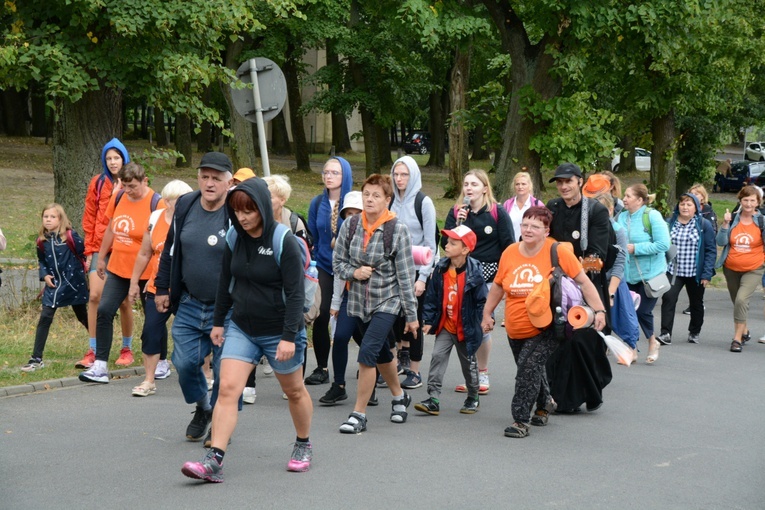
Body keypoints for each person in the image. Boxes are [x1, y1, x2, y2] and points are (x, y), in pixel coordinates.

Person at [181, 178, 314, 482]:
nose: (242, 217)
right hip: (242, 326)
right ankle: (214, 459)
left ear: (263, 209)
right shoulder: (233, 238)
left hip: (279, 329)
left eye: (249, 210)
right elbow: (225, 282)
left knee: (293, 390)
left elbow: (295, 294)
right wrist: (217, 323)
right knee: (227, 389)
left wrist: (288, 337)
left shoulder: (284, 241)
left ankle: (303, 443)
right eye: (237, 211)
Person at [483, 207, 606, 438]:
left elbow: (584, 282)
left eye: (535, 226)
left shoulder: (557, 251)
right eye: (525, 225)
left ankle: (520, 420)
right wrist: (487, 313)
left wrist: (599, 310)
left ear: (546, 230)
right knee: (530, 368)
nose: (528, 230)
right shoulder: (509, 252)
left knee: (527, 369)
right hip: (515, 325)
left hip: (548, 325)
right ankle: (545, 403)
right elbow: (498, 285)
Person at [153, 152, 233, 444]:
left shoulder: (236, 210)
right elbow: (171, 248)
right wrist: (162, 287)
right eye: (204, 176)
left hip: (228, 310)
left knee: (227, 372)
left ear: (229, 181)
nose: (209, 183)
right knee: (185, 364)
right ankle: (203, 407)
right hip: (189, 301)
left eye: (216, 178)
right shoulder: (186, 203)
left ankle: (222, 427)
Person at [332, 174, 418, 434]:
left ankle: (358, 414)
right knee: (381, 353)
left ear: (387, 200)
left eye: (376, 195)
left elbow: (405, 275)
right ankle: (399, 396)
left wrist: (411, 316)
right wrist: (354, 273)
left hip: (387, 302)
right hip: (358, 303)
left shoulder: (397, 230)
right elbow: (337, 264)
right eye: (366, 194)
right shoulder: (350, 225)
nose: (369, 199)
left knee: (367, 353)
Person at [78, 162, 164, 384]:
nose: (128, 191)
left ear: (144, 181)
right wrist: (101, 257)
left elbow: (161, 237)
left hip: (146, 270)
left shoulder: (157, 202)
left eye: (133, 186)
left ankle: (161, 361)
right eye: (125, 186)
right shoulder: (118, 197)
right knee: (104, 310)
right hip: (118, 267)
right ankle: (100, 366)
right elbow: (111, 228)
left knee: (152, 317)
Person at [546, 162, 614, 413]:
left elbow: (597, 255)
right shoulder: (552, 207)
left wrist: (569, 269)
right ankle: (557, 395)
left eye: (568, 181)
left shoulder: (595, 210)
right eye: (560, 182)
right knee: (555, 339)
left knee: (582, 342)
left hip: (586, 286)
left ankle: (583, 392)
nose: (564, 186)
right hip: (556, 288)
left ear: (579, 182)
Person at [441, 169, 514, 395]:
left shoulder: (497, 212)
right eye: (466, 184)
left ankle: (482, 372)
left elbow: (509, 245)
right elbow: (445, 242)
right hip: (462, 274)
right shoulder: (457, 212)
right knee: (465, 324)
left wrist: (504, 277)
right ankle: (471, 375)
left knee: (481, 324)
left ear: (485, 188)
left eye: (474, 184)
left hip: (489, 277)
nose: (469, 188)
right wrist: (458, 225)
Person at [240, 174, 309, 404]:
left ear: (282, 199)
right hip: (253, 308)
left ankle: (293, 383)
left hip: (285, 294)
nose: (263, 200)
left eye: (269, 196)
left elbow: (304, 260)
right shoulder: (247, 225)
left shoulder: (293, 223)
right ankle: (248, 385)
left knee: (293, 336)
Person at [127, 180, 193, 396]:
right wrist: (134, 282)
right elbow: (145, 253)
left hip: (188, 289)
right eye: (179, 201)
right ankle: (149, 381)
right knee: (150, 331)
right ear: (167, 201)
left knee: (196, 333)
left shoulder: (195, 220)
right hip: (159, 286)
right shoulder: (155, 218)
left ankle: (207, 376)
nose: (186, 204)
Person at [415, 225, 486, 416]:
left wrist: (486, 319)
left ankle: (473, 397)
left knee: (468, 365)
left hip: (466, 327)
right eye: (447, 241)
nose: (446, 245)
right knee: (437, 357)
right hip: (446, 324)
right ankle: (433, 398)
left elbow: (483, 300)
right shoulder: (441, 268)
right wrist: (428, 320)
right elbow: (432, 296)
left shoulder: (474, 272)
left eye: (453, 243)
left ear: (465, 250)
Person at [78, 138, 134, 369]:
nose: (112, 162)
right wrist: (89, 251)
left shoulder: (133, 181)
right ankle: (93, 349)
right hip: (100, 248)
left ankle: (127, 348)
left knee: (122, 301)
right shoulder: (98, 182)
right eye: (109, 158)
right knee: (94, 297)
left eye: (116, 158)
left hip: (122, 248)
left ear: (124, 159)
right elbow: (90, 218)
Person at [21, 204, 89, 372]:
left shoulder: (71, 237)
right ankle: (36, 358)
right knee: (45, 317)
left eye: (52, 217)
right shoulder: (41, 240)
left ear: (60, 219)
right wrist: (44, 275)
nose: (48, 220)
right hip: (54, 285)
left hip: (74, 284)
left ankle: (99, 347)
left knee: (83, 316)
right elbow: (42, 260)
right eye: (46, 217)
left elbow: (86, 254)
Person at [389, 155, 437, 389]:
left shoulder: (423, 202)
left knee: (414, 319)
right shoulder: (390, 202)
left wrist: (423, 278)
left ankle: (415, 371)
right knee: (394, 319)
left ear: (414, 175)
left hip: (416, 270)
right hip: (392, 270)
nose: (399, 179)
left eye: (404, 174)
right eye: (396, 174)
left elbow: (431, 244)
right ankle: (399, 359)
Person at [306, 157, 354, 385]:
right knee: (321, 313)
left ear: (345, 176)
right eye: (326, 172)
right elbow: (313, 235)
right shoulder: (317, 203)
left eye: (334, 172)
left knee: (357, 317)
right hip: (326, 265)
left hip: (352, 268)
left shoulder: (355, 202)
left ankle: (373, 363)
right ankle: (322, 368)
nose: (328, 176)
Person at [319, 191, 366, 405]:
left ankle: (371, 385)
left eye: (358, 212)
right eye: (349, 213)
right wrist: (335, 303)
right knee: (339, 337)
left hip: (374, 298)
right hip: (349, 295)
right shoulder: (342, 239)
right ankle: (339, 385)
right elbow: (338, 272)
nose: (353, 217)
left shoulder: (376, 234)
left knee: (372, 343)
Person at [617, 183, 671, 363]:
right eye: (624, 196)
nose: (624, 199)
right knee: (628, 312)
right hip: (628, 274)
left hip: (651, 275)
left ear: (640, 200)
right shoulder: (622, 217)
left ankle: (652, 341)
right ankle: (632, 350)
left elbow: (664, 244)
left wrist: (636, 248)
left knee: (642, 311)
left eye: (628, 196)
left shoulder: (652, 216)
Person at [656, 193, 716, 346]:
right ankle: (666, 333)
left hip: (695, 273)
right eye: (682, 204)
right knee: (668, 298)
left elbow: (710, 250)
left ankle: (694, 332)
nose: (685, 207)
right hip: (673, 271)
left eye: (689, 204)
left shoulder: (703, 225)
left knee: (696, 303)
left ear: (696, 208)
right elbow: (661, 244)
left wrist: (706, 274)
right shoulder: (670, 223)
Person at [589, 192, 638, 363]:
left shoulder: (618, 231)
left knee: (623, 316)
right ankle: (599, 351)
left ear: (610, 210)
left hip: (613, 281)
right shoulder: (590, 230)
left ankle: (632, 349)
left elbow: (619, 263)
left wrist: (610, 293)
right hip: (594, 280)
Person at [716, 186, 765, 353]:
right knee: (737, 301)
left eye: (752, 200)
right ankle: (744, 329)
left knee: (741, 300)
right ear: (740, 201)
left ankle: (737, 338)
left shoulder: (762, 221)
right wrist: (725, 224)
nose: (749, 203)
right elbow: (721, 242)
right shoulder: (733, 220)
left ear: (758, 202)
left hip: (754, 268)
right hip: (730, 268)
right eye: (746, 200)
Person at [503, 170, 544, 243]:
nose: (520, 187)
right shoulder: (507, 204)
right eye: (517, 184)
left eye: (523, 184)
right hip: (511, 245)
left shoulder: (537, 204)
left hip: (531, 246)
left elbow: (544, 227)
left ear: (529, 186)